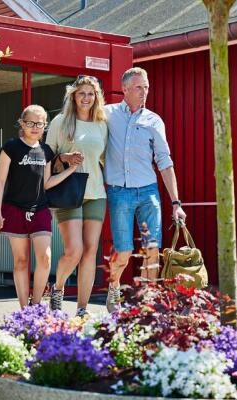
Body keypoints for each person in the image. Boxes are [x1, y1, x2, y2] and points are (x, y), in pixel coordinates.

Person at [104, 67, 187, 312]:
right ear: (125, 89)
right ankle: (114, 287)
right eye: (139, 87)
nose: (144, 92)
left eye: (146, 87)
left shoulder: (153, 120)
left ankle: (147, 301)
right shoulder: (107, 115)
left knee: (152, 248)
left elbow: (164, 160)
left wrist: (176, 203)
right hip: (119, 192)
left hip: (149, 192)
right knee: (124, 250)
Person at [0, 104, 80, 308]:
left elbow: (47, 183)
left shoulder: (46, 151)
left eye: (39, 124)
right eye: (30, 123)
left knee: (45, 258)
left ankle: (37, 304)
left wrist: (71, 170)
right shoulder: (11, 147)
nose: (34, 127)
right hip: (14, 210)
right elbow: (0, 182)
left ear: (45, 126)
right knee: (21, 261)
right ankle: (24, 309)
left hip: (40, 210)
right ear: (22, 124)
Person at [45, 75, 108, 317]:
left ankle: (82, 308)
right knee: (74, 250)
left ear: (96, 97)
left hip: (95, 192)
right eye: (81, 93)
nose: (86, 98)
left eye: (90, 94)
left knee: (90, 251)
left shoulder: (102, 124)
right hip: (69, 192)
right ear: (73, 95)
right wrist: (64, 158)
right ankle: (58, 289)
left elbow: (103, 158)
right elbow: (47, 157)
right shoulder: (61, 121)